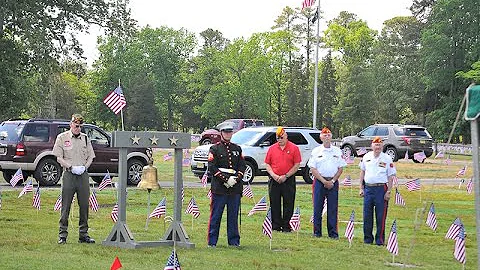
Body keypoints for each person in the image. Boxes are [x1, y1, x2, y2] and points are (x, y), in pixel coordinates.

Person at [53, 114, 96, 244]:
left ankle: (83, 234)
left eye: (80, 127)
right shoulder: (62, 137)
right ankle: (62, 235)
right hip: (69, 174)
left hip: (82, 175)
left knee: (84, 205)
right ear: (71, 124)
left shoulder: (85, 139)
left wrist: (85, 167)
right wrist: (70, 167)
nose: (78, 129)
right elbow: (58, 157)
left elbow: (90, 156)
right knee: (65, 205)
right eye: (76, 126)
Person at [207, 121, 246, 247]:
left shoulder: (237, 149)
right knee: (216, 215)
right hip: (219, 188)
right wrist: (225, 179)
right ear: (221, 133)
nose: (228, 134)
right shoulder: (215, 148)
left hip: (234, 187)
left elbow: (242, 165)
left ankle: (234, 241)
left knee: (233, 216)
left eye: (230, 132)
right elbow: (212, 167)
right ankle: (212, 241)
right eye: (225, 132)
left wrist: (236, 178)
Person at [308, 127, 346, 239]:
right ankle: (317, 232)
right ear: (320, 137)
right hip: (320, 182)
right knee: (317, 207)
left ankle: (333, 233)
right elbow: (313, 169)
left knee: (333, 208)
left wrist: (332, 181)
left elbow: (340, 168)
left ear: (331, 137)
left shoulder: (337, 151)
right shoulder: (316, 151)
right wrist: (324, 181)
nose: (327, 137)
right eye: (324, 135)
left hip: (333, 182)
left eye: (328, 135)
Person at [358, 136, 396, 245]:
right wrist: (361, 187)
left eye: (379, 145)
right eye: (375, 144)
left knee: (381, 216)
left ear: (382, 146)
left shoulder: (387, 158)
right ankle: (367, 239)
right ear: (372, 146)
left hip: (381, 189)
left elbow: (390, 176)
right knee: (367, 215)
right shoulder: (366, 157)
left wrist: (388, 191)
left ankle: (379, 240)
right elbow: (362, 172)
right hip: (368, 188)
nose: (377, 147)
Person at [264, 127, 301, 232]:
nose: (279, 140)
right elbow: (267, 164)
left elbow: (297, 164)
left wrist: (286, 175)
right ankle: (275, 225)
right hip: (274, 179)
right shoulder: (272, 148)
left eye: (281, 137)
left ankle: (286, 225)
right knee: (274, 202)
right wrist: (273, 175)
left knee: (288, 202)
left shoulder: (294, 148)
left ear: (286, 136)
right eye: (277, 138)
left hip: (288, 179)